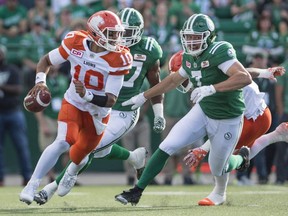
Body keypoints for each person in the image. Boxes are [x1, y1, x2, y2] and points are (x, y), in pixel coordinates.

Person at [115, 13, 253, 206]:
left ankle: (239, 159)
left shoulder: (220, 51)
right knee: (168, 145)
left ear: (209, 37)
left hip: (228, 117)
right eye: (188, 36)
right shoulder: (188, 56)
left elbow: (244, 77)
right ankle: (136, 191)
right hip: (203, 111)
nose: (191, 41)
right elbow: (172, 80)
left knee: (218, 167)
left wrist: (212, 88)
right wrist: (143, 96)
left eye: (196, 37)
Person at [32, 7, 165, 205]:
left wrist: (158, 113)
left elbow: (156, 83)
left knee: (88, 148)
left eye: (128, 32)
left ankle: (50, 189)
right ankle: (133, 157)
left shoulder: (149, 49)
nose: (123, 37)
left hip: (124, 110)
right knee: (96, 148)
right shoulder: (104, 45)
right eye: (121, 32)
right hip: (97, 106)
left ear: (139, 31)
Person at [19, 10, 132, 205]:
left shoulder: (119, 58)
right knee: (63, 141)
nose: (116, 38)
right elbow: (45, 61)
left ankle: (72, 173)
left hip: (98, 113)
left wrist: (87, 94)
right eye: (111, 33)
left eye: (117, 33)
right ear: (96, 33)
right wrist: (41, 82)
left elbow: (111, 100)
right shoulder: (75, 42)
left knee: (78, 155)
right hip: (73, 102)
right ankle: (32, 184)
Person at [167, 50, 286, 205]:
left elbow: (221, 126)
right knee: (225, 155)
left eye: (182, 78)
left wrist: (202, 148)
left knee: (219, 158)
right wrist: (264, 72)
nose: (181, 83)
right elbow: (245, 72)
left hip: (254, 118)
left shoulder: (212, 86)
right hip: (255, 114)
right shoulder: (215, 71)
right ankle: (276, 136)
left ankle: (219, 193)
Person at [0, 44, 32, 186]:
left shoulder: (12, 69)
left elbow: (18, 89)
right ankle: (1, 179)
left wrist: (2, 86)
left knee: (21, 146)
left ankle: (27, 177)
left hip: (13, 112)